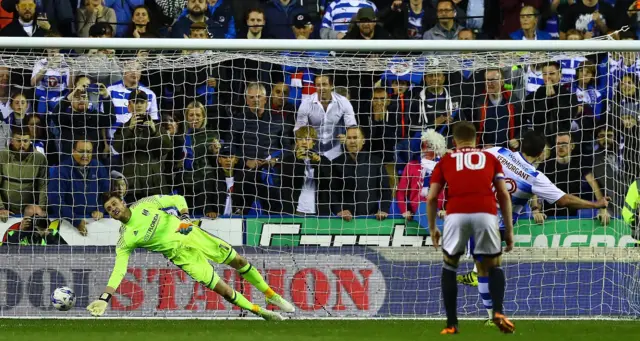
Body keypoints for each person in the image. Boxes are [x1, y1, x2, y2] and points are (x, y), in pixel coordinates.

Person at [456, 130, 610, 325]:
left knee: (483, 267)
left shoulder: (498, 152)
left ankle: (491, 310)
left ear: (520, 145)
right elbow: (563, 200)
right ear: (539, 154)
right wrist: (595, 204)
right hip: (498, 227)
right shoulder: (534, 177)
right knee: (490, 268)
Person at [87, 193, 294, 319]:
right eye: (109, 209)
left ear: (122, 202)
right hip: (182, 256)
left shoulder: (144, 204)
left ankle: (272, 296)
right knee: (224, 290)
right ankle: (261, 312)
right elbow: (119, 270)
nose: (113, 209)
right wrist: (105, 298)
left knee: (239, 261)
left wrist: (185, 217)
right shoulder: (125, 239)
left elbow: (176, 199)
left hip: (192, 235)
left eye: (114, 204)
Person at [426, 121, 515, 334]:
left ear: (454, 141)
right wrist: (509, 230)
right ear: (476, 139)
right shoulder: (491, 158)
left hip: (456, 213)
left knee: (450, 266)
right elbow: (503, 194)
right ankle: (499, 312)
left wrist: (432, 228)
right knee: (493, 265)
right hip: (486, 212)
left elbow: (431, 198)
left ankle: (451, 323)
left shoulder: (446, 160)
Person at [48, 139, 110, 236]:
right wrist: (76, 220)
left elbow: (106, 193)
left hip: (94, 222)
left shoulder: (98, 167)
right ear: (73, 151)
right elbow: (55, 200)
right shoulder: (62, 170)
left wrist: (100, 209)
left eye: (89, 152)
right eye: (81, 152)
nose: (85, 155)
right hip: (67, 224)